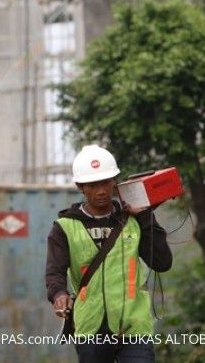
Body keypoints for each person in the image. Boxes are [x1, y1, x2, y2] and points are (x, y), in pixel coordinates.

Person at [45, 144, 173, 363]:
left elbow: (162, 262)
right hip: (91, 328)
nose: (101, 190)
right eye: (93, 185)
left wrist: (144, 217)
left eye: (105, 182)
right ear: (80, 187)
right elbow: (54, 272)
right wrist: (59, 295)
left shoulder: (134, 219)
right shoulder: (64, 227)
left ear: (115, 181)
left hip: (134, 326)